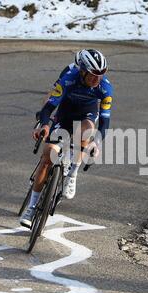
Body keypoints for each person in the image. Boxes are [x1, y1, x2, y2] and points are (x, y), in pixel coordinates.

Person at [20, 49, 113, 228]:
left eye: (101, 74)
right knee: (47, 157)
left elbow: (105, 120)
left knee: (86, 132)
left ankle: (72, 174)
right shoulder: (69, 77)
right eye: (93, 75)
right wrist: (45, 124)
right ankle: (31, 208)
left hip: (86, 115)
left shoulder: (105, 88)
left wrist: (97, 142)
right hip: (64, 115)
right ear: (83, 70)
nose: (97, 79)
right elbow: (49, 107)